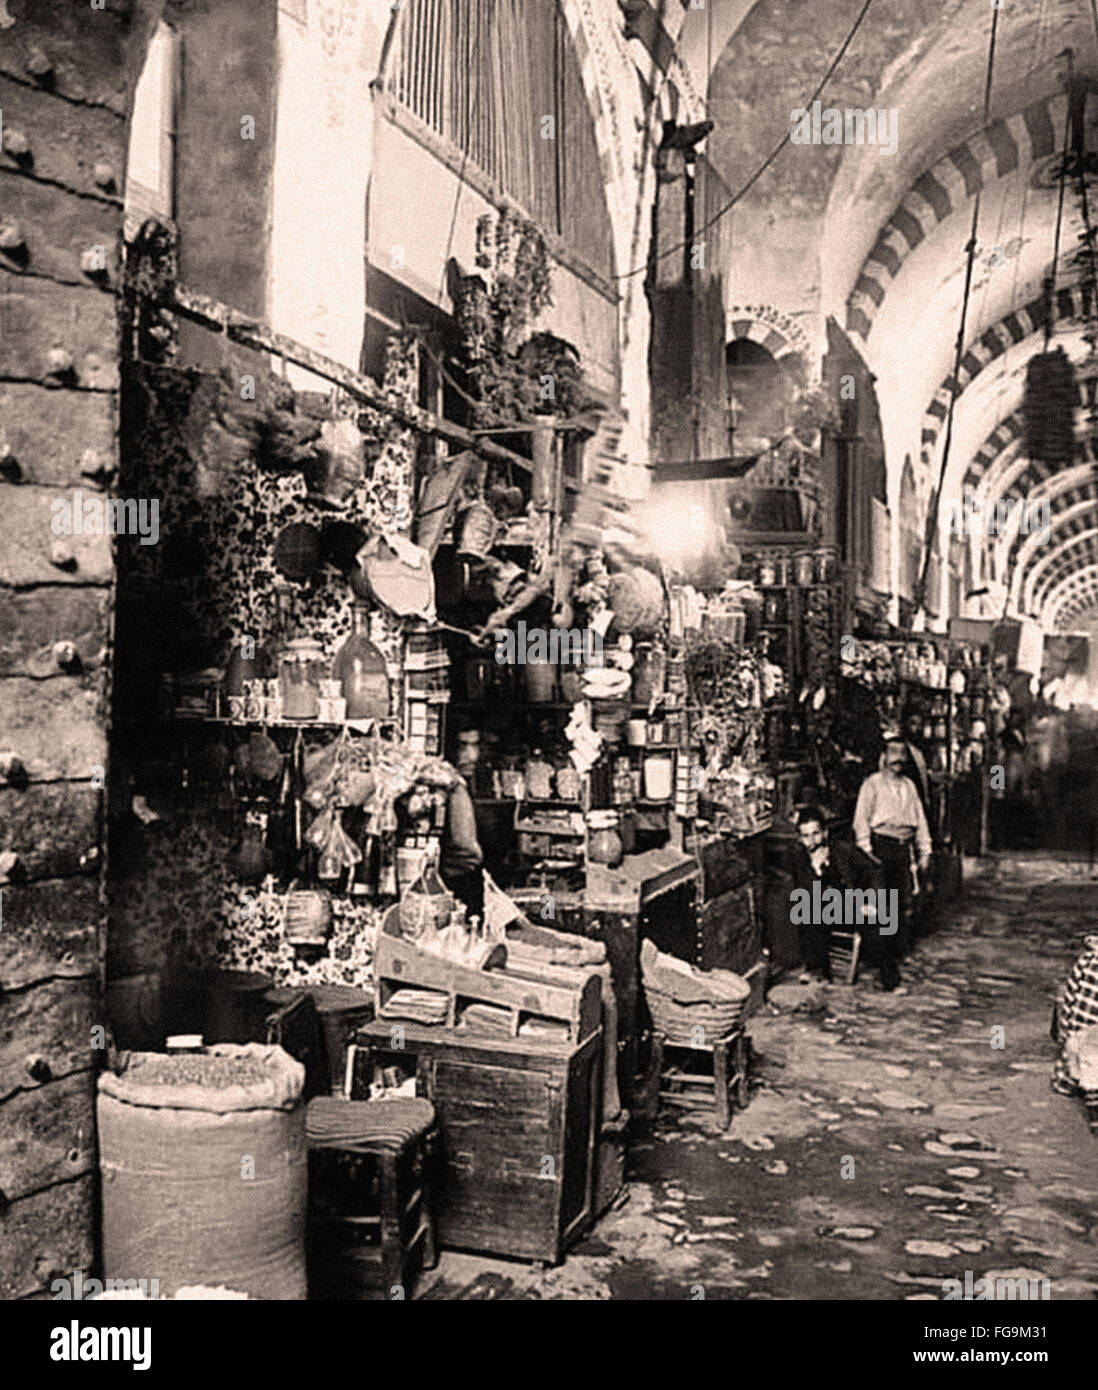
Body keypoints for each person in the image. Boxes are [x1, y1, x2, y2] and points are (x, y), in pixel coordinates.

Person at [852, 740, 932, 990]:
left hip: (902, 850)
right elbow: (860, 820)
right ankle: (888, 975)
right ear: (884, 756)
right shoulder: (872, 784)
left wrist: (925, 849)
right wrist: (867, 852)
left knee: (898, 908)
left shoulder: (909, 786)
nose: (898, 759)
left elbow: (920, 820)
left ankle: (887, 958)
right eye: (893, 753)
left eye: (903, 754)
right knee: (882, 909)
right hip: (880, 847)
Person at [791, 806, 882, 982]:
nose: (812, 840)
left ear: (825, 832)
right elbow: (804, 892)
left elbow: (875, 869)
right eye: (806, 836)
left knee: (883, 927)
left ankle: (889, 980)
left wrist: (872, 901)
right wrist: (816, 870)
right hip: (824, 911)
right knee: (806, 910)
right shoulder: (799, 858)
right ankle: (817, 969)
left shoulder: (842, 850)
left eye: (816, 833)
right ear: (800, 838)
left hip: (852, 906)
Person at [1051, 934, 1098, 1132]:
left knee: (1077, 1060)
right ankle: (1095, 1114)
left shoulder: (1086, 960)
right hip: (1092, 1029)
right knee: (1091, 1067)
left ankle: (1070, 1082)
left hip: (1079, 1024)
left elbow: (1070, 993)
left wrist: (1066, 1022)